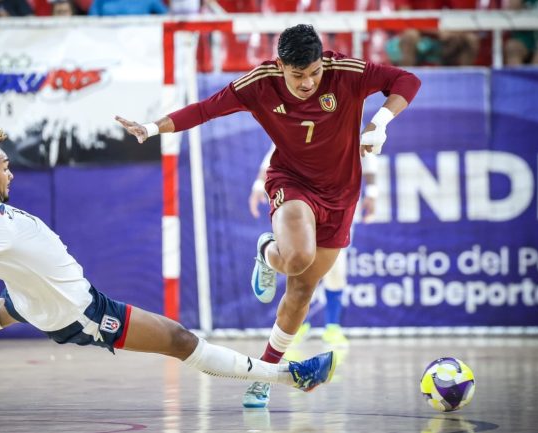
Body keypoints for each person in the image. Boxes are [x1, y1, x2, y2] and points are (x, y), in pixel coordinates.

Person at [0, 128, 335, 416]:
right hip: (80, 312)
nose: (10, 174)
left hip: (33, 304)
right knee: (180, 341)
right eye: (5, 167)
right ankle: (291, 376)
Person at [115, 24, 420, 409]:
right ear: (281, 66)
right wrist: (152, 127)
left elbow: (406, 79)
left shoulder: (345, 72)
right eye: (298, 75)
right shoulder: (260, 83)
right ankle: (269, 251)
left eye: (313, 73)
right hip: (292, 182)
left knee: (302, 290)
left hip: (341, 195)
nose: (308, 83)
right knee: (296, 258)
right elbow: (205, 109)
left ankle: (265, 372)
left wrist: (381, 121)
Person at [248, 144, 379, 346]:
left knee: (336, 268)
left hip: (338, 203)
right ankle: (298, 327)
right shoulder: (299, 116)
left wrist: (372, 193)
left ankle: (333, 328)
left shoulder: (349, 120)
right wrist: (258, 185)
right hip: (303, 200)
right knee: (300, 263)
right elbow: (274, 152)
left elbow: (368, 157)